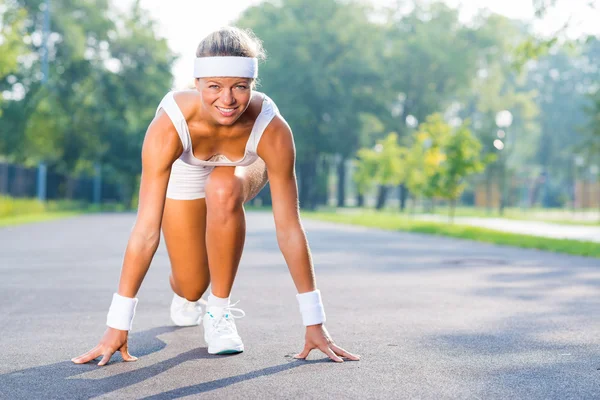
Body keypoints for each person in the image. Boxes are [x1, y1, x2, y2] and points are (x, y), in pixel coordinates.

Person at [71, 26, 360, 365]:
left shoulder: (272, 129)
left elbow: (289, 229)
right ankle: (190, 294)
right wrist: (117, 324)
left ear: (252, 84)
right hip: (187, 173)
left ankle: (219, 313)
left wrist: (315, 321)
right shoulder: (170, 125)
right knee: (191, 286)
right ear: (196, 84)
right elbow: (146, 230)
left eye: (240, 87)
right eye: (214, 87)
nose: (227, 100)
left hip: (243, 169)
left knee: (222, 188)